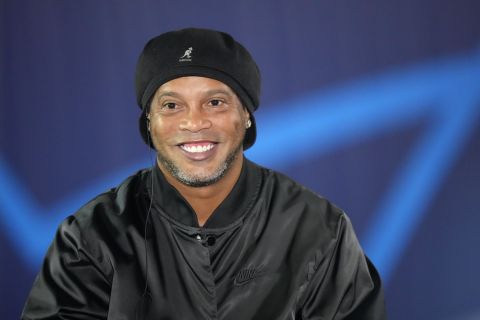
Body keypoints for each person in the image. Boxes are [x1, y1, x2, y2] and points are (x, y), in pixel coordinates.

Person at [21, 28, 386, 319]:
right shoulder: (91, 236)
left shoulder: (318, 228)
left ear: (245, 115)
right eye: (171, 105)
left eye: (215, 102)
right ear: (149, 122)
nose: (194, 122)